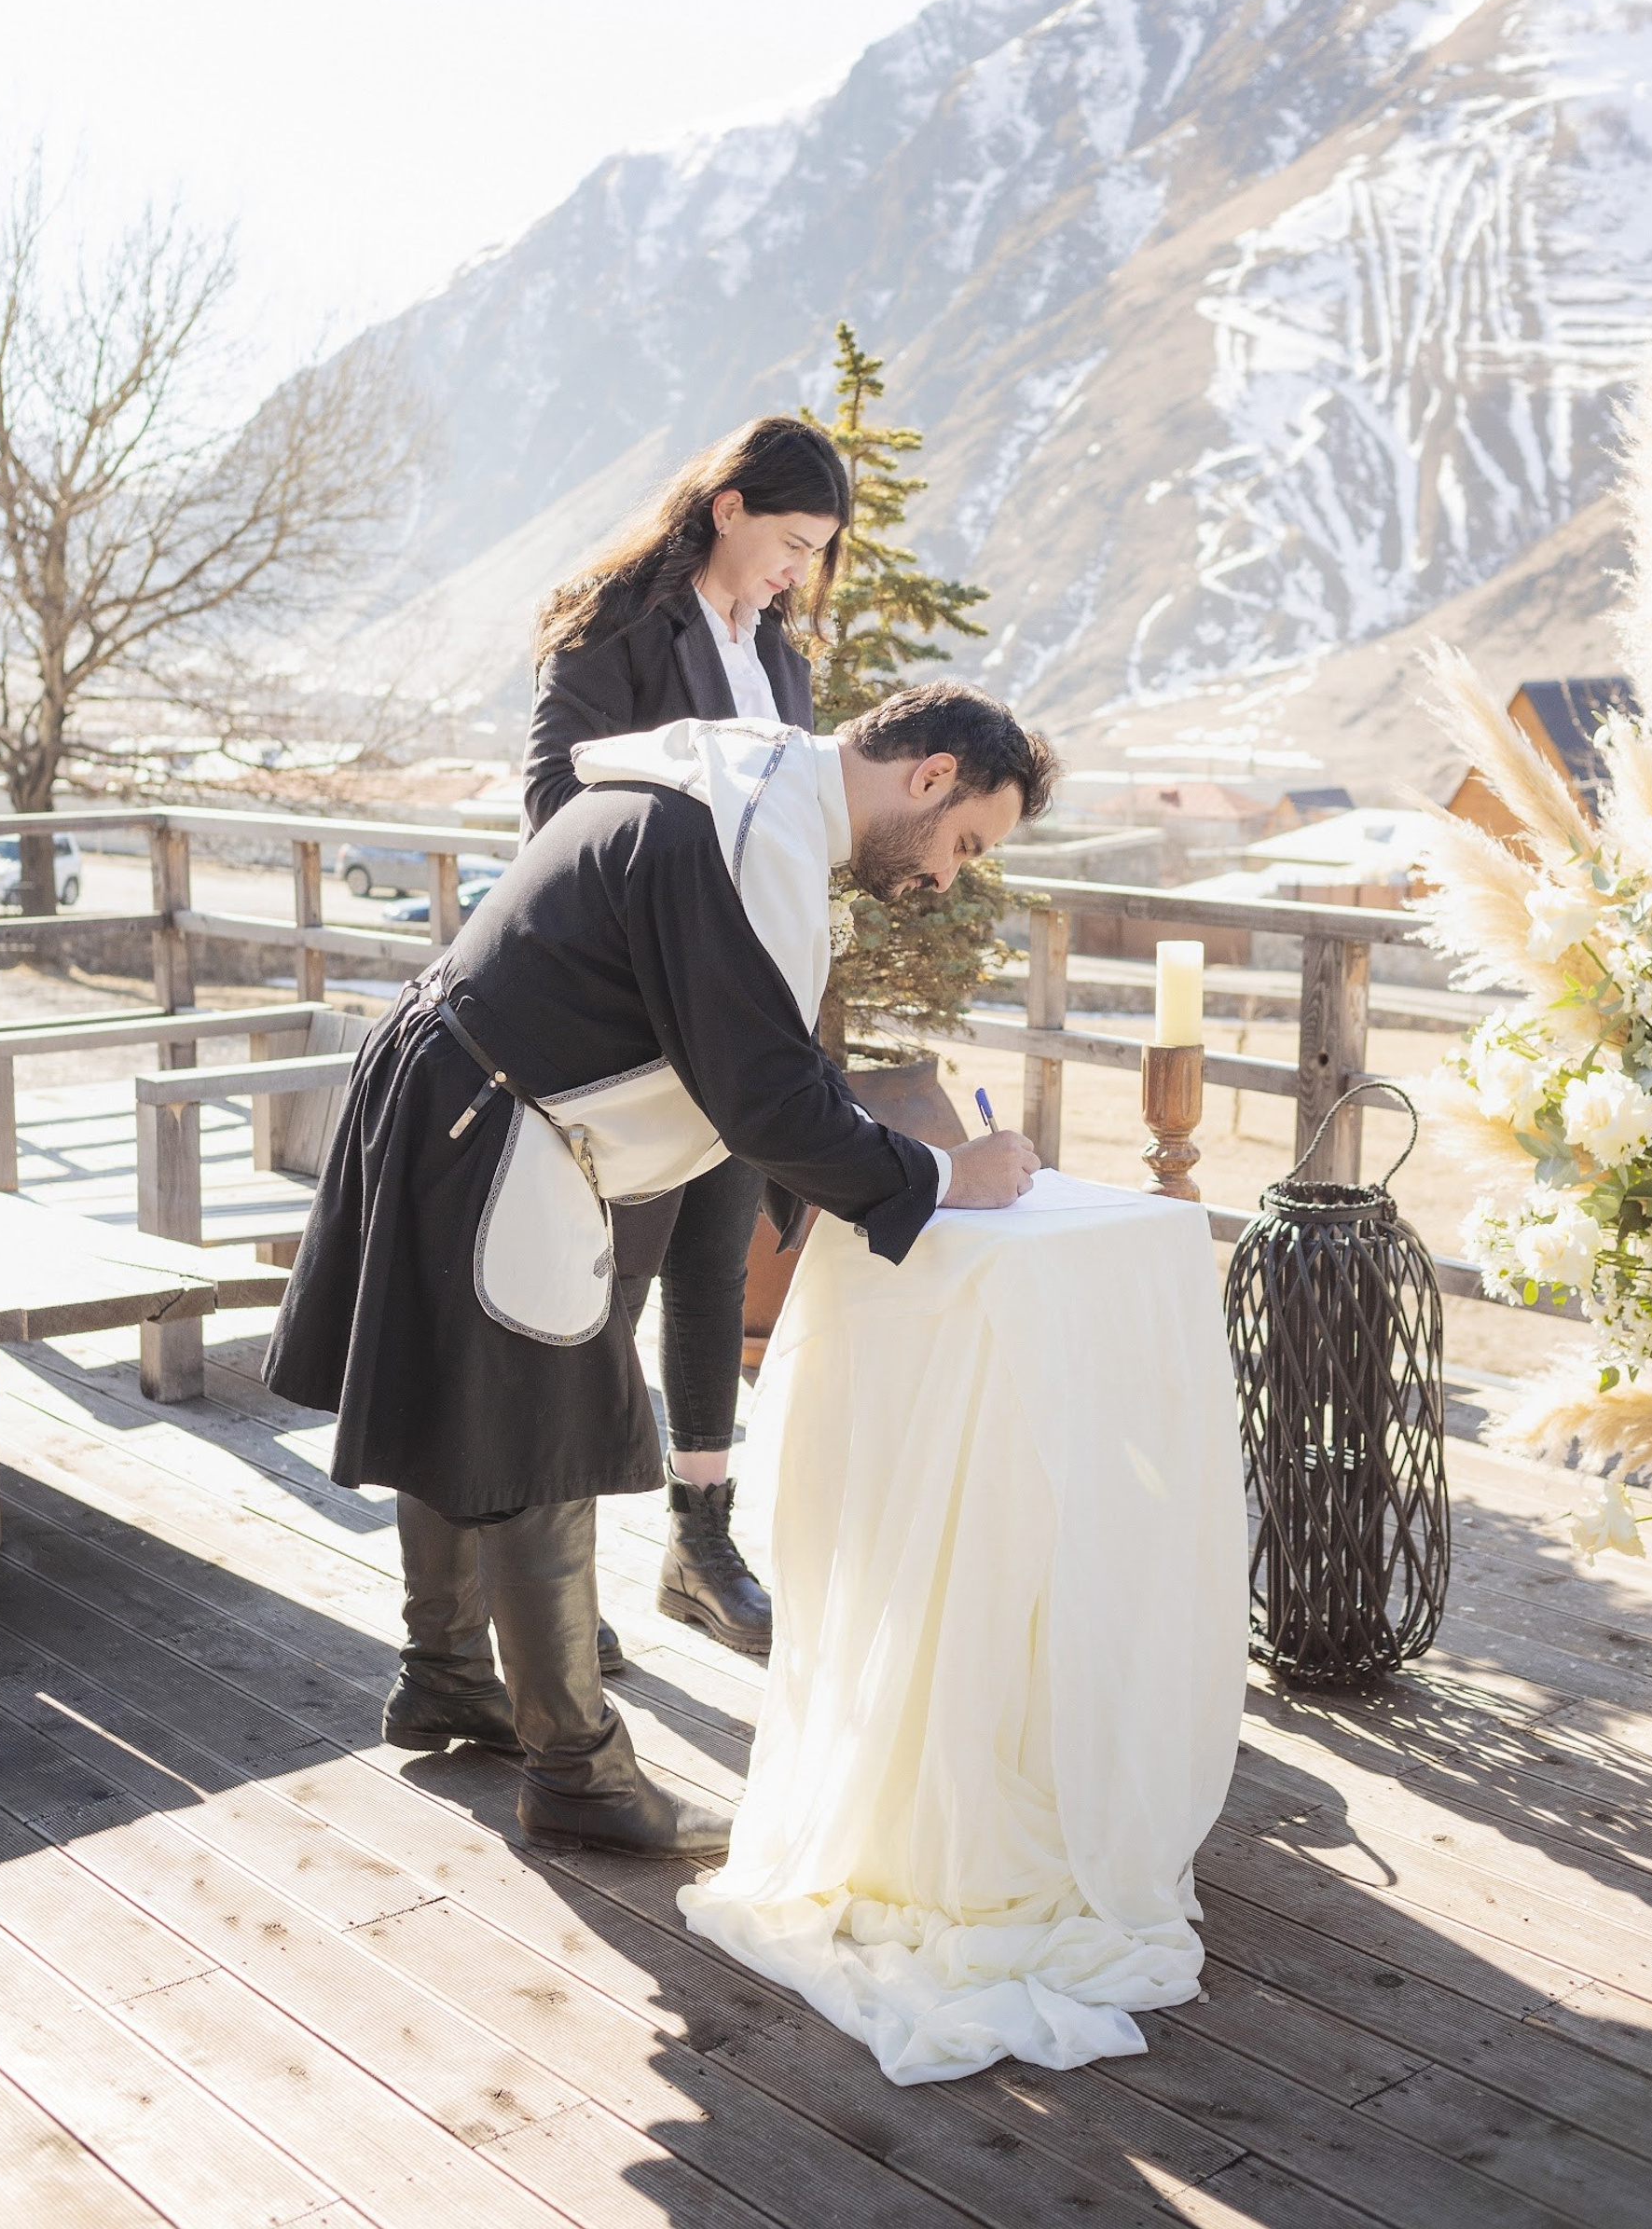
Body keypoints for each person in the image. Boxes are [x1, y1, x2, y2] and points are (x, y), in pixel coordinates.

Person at [262, 683, 1056, 1861]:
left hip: (458, 1085)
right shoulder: (750, 830)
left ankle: (447, 1676)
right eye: (968, 843)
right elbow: (764, 1094)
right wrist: (947, 1176)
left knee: (458, 1395)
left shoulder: (748, 790)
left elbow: (751, 1044)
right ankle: (576, 1774)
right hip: (495, 1115)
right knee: (536, 1434)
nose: (950, 875)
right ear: (930, 776)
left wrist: (881, 1156)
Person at [523, 414, 849, 1660]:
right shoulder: (610, 627)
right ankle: (553, 1569)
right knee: (604, 1291)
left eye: (817, 553)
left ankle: (697, 1545)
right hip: (633, 1013)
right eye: (792, 541)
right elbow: (558, 804)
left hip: (744, 1014)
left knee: (715, 1270)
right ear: (727, 507)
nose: (800, 572)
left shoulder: (780, 662)